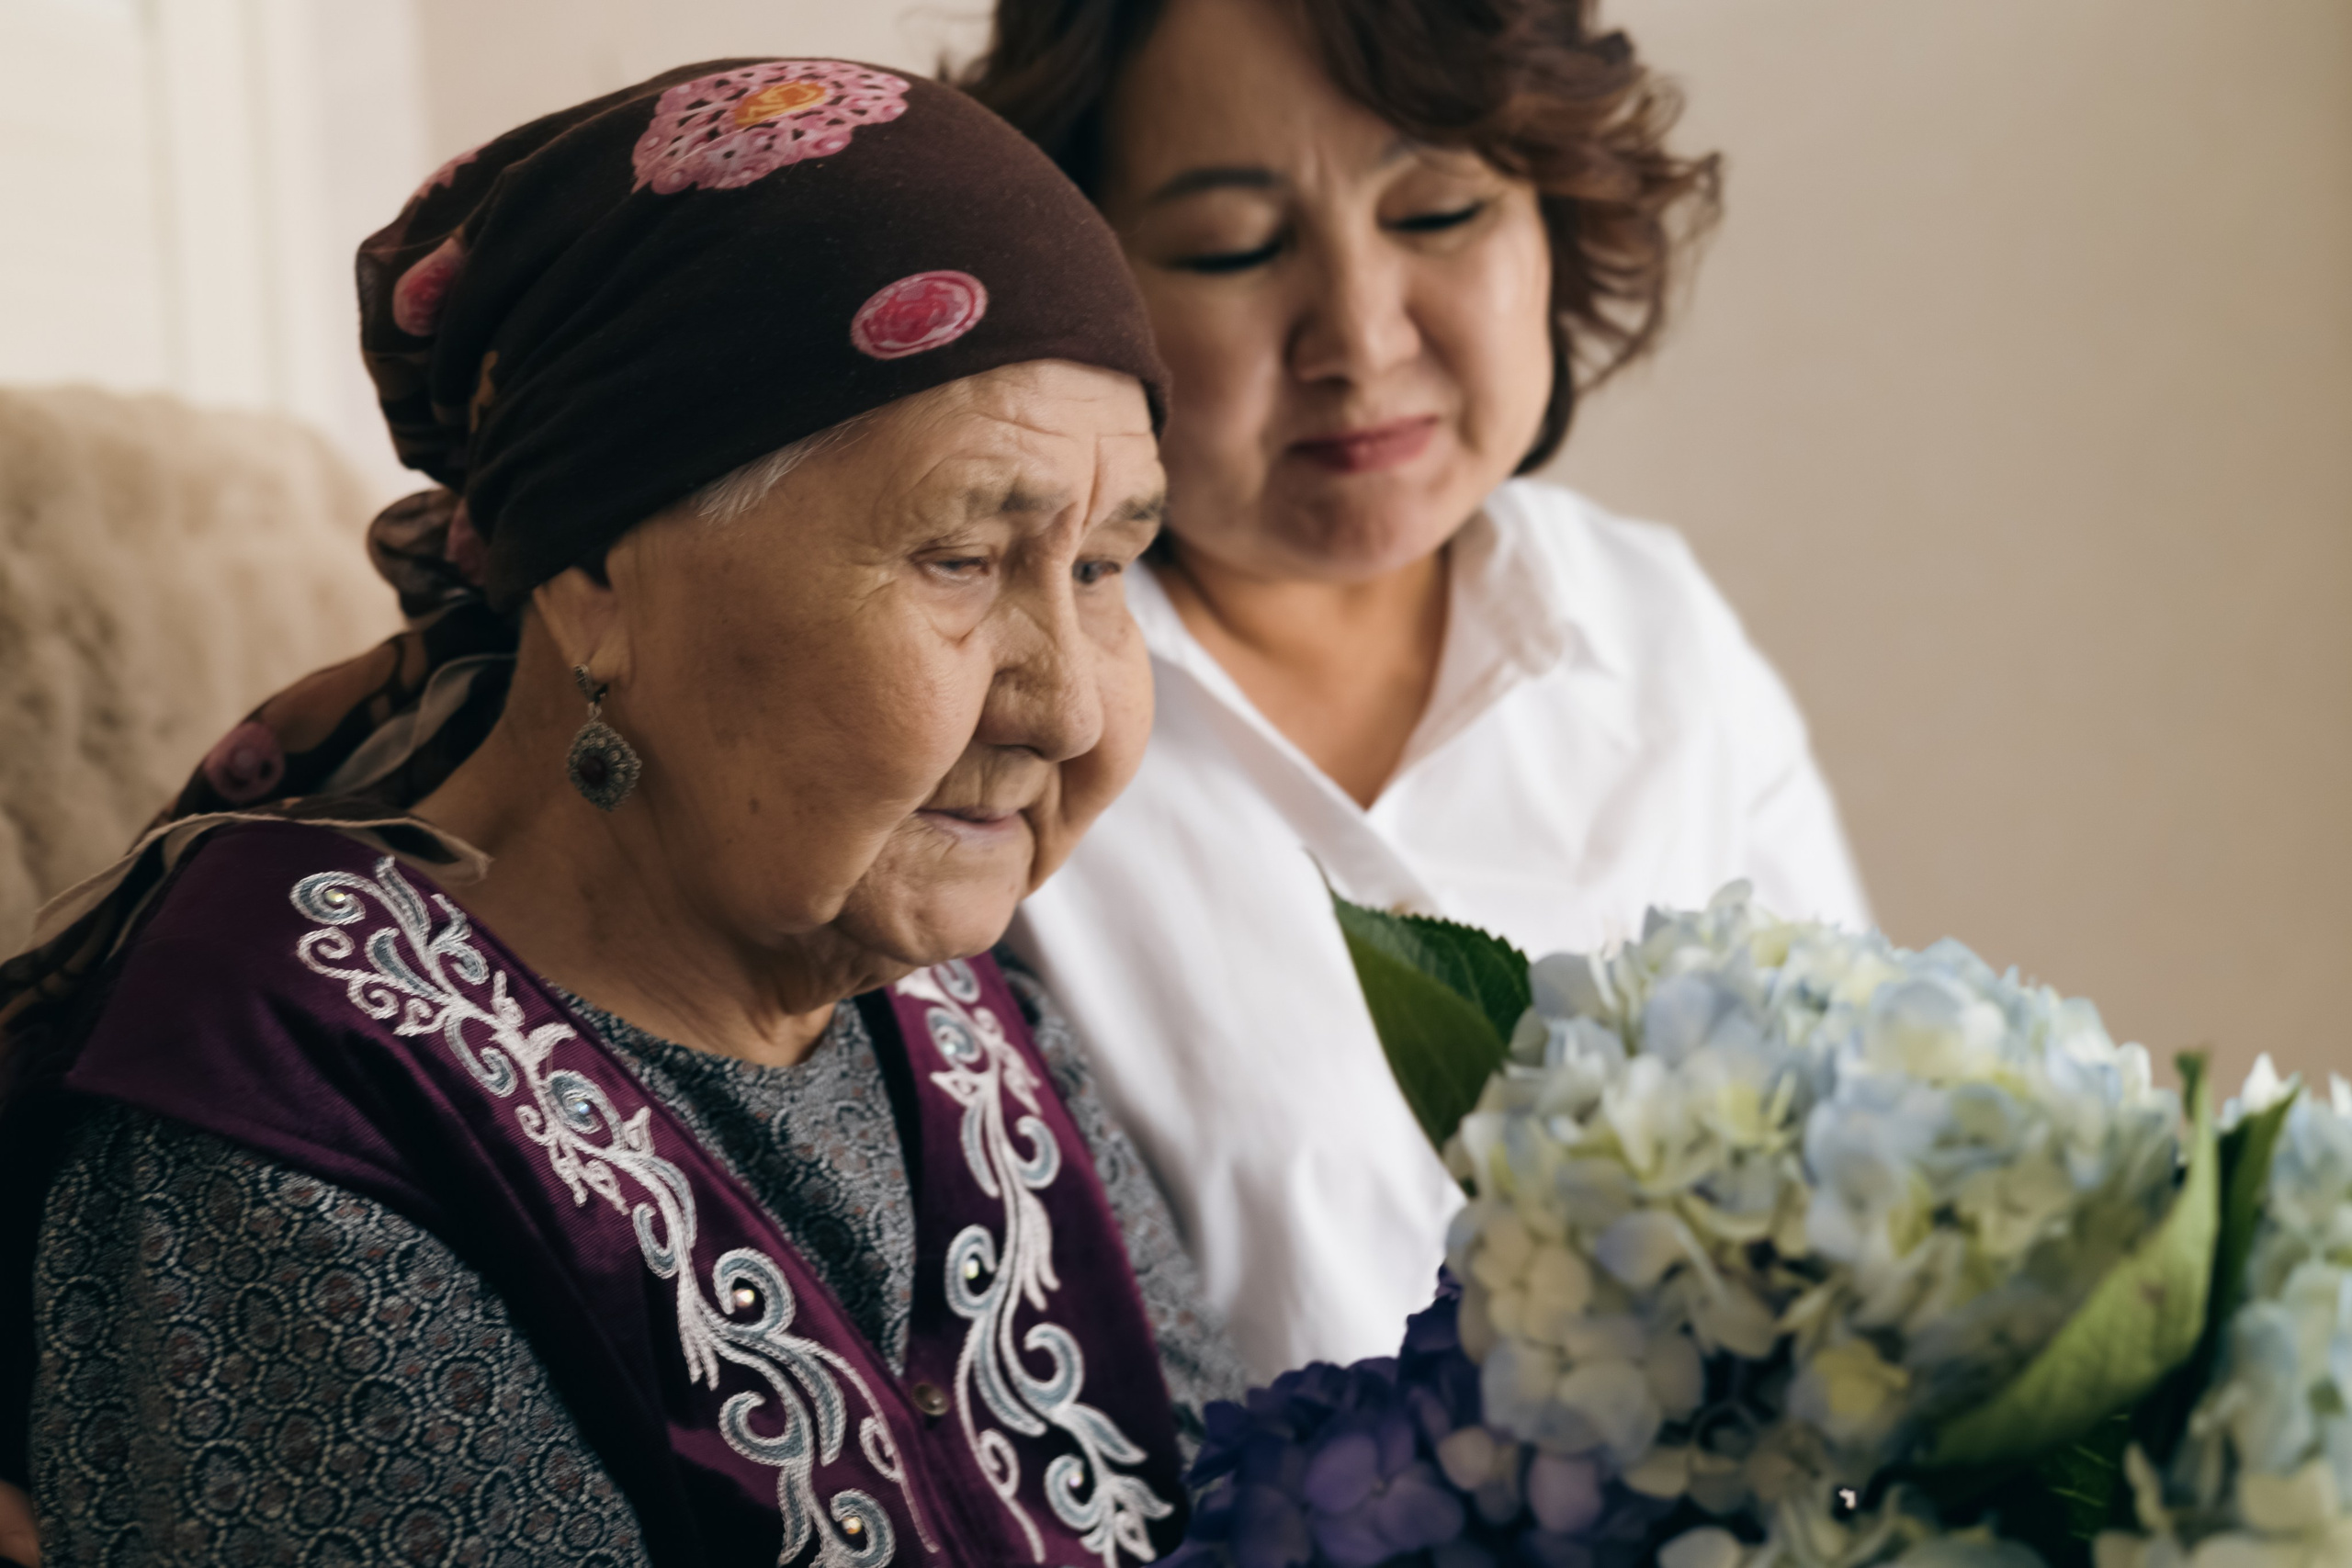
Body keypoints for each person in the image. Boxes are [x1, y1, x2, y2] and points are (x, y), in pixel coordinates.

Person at [0, 61, 1245, 1568]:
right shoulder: (286, 1123)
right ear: (596, 572)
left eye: (1106, 567)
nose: (1072, 707)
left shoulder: (959, 1012)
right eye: (962, 558)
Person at [961, 0, 1872, 1381]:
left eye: (1439, 213)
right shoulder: (995, 719)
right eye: (1236, 247)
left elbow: (1879, 1183)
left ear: (1552, 219)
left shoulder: (1653, 625)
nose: (1363, 338)